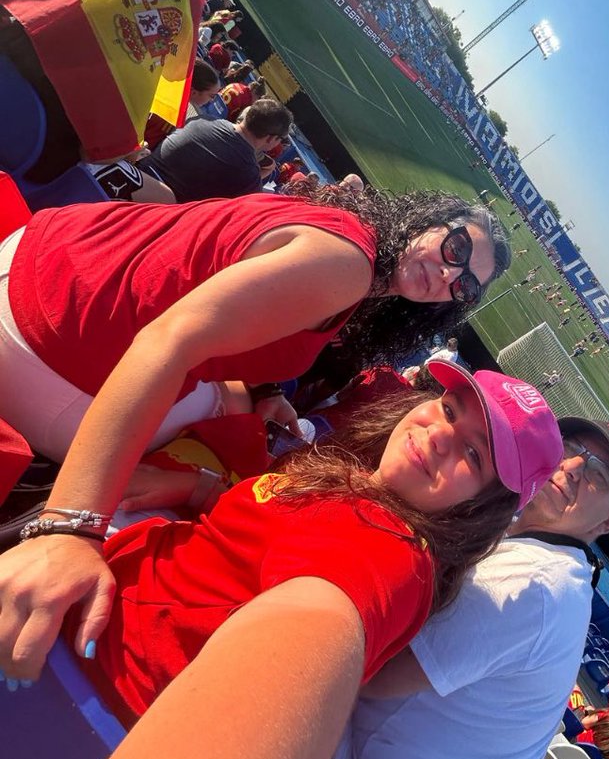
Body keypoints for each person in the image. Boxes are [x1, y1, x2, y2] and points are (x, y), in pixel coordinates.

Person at [0, 367, 563, 759]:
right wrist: (199, 488)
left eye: (474, 454)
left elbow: (318, 626)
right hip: (99, 603)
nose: (441, 434)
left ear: (479, 508)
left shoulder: (390, 557)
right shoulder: (367, 491)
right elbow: (276, 534)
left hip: (73, 672)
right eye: (449, 408)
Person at [0, 190, 511, 680]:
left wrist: (266, 387)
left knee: (240, 404)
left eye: (464, 286)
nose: (448, 274)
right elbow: (166, 340)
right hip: (42, 340)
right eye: (455, 248)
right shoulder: (349, 267)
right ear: (428, 219)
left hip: (37, 258)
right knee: (228, 430)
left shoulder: (348, 233)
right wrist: (72, 527)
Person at [318, 416, 609, 759]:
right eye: (569, 447)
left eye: (600, 475)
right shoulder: (550, 561)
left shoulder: (534, 585)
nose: (573, 468)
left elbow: (368, 671)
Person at [140, 98, 292, 201]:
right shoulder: (248, 175)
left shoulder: (202, 120)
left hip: (134, 175)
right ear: (271, 138)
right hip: (152, 212)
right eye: (281, 139)